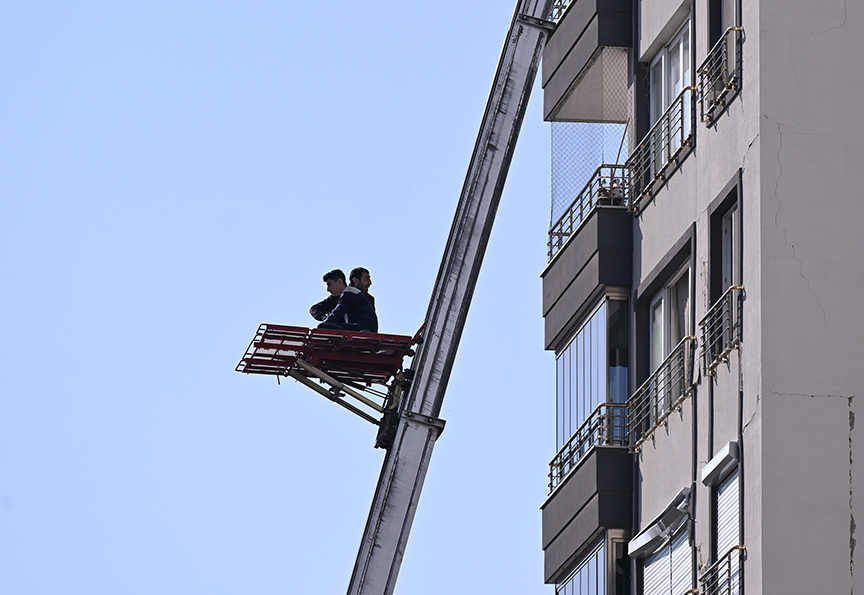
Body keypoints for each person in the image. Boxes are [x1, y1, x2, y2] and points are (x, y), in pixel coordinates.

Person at [310, 269, 378, 333]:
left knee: (323, 327)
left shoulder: (350, 293)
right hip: (360, 326)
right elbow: (315, 308)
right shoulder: (351, 293)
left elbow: (338, 313)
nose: (328, 289)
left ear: (339, 282)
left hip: (361, 327)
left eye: (329, 284)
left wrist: (325, 322)